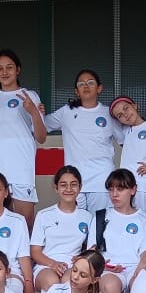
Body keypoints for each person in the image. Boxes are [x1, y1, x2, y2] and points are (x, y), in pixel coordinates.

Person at [0, 49, 47, 227]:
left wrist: (33, 111)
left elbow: (41, 137)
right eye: (0, 68)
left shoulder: (30, 96)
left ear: (18, 70)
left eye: (9, 67)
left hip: (21, 170)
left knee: (25, 224)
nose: (4, 72)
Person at [44, 70, 118, 212]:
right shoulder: (66, 112)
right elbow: (42, 125)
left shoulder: (109, 113)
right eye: (81, 84)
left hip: (101, 179)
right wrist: (35, 111)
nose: (86, 86)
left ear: (99, 88)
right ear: (76, 91)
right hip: (74, 181)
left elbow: (126, 139)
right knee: (78, 226)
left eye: (90, 83)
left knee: (99, 225)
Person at [29, 164, 90, 293]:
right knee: (52, 283)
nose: (68, 189)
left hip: (74, 267)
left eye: (73, 184)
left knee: (71, 282)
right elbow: (35, 251)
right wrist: (53, 264)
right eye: (63, 185)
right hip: (45, 266)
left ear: (80, 188)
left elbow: (92, 248)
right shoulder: (44, 215)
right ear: (56, 188)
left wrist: (82, 258)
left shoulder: (87, 217)